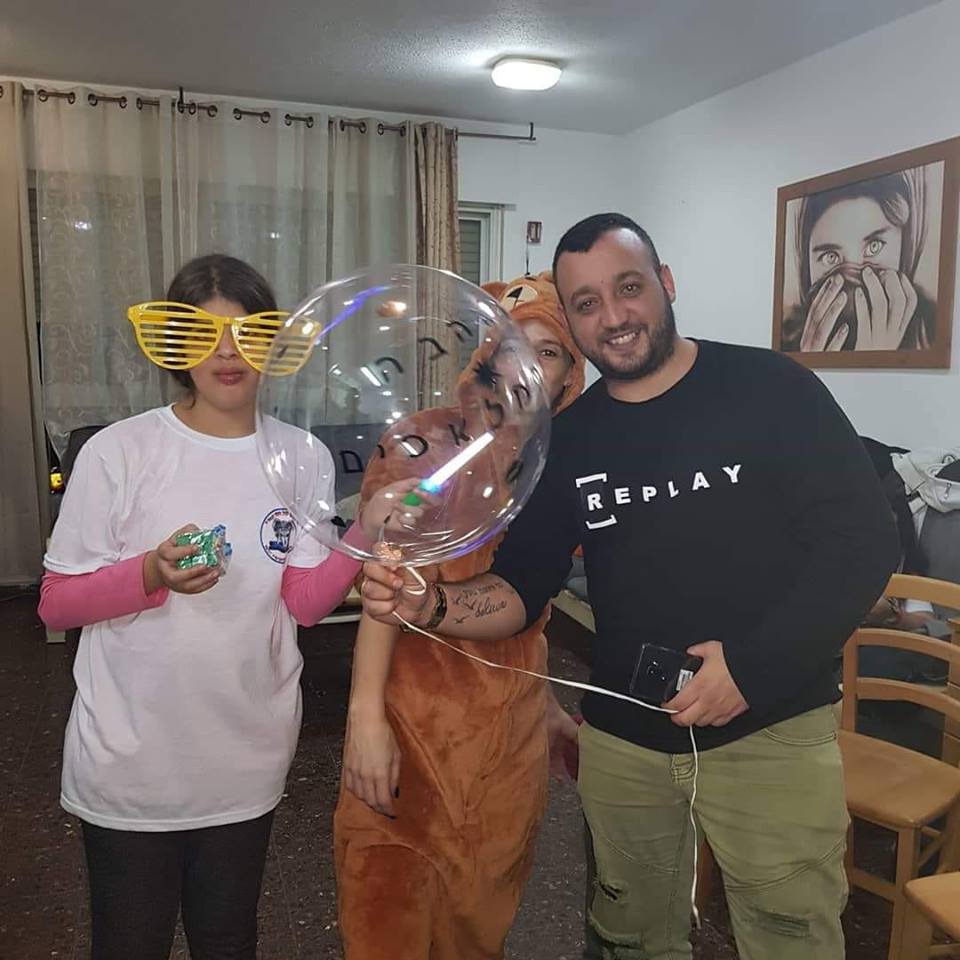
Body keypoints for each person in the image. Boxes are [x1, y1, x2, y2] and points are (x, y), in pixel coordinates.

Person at [360, 214, 900, 959]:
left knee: (790, 938)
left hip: (770, 728)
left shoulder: (772, 388)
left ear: (665, 283)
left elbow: (865, 542)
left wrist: (751, 670)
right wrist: (435, 604)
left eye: (629, 288)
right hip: (625, 742)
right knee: (628, 938)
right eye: (587, 303)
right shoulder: (571, 438)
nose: (612, 316)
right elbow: (523, 585)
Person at [38, 254, 406, 960]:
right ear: (171, 347)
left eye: (248, 333)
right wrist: (149, 573)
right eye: (202, 335)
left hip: (247, 757)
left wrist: (364, 530)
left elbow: (303, 604)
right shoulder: (120, 452)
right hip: (132, 764)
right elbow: (56, 605)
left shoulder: (300, 456)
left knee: (228, 939)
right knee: (130, 943)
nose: (228, 353)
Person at [334, 272, 585, 960]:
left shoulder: (559, 469)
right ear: (487, 356)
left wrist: (547, 709)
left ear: (569, 378)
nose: (526, 366)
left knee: (478, 928)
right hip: (412, 727)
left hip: (507, 748)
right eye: (513, 345)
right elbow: (385, 585)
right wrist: (364, 720)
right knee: (386, 915)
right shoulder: (422, 442)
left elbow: (530, 607)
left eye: (549, 352)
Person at [782, 168, 936, 353]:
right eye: (831, 257)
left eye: (874, 246)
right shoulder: (786, 341)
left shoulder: (931, 331)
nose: (855, 278)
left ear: (905, 246)